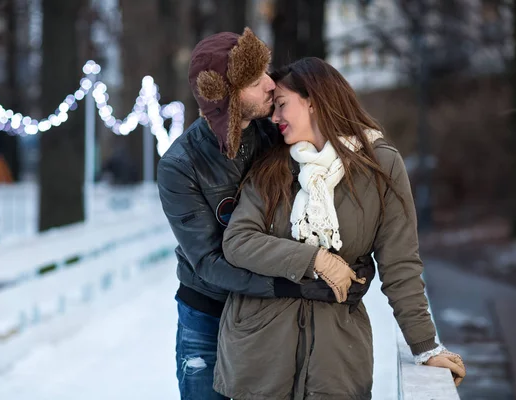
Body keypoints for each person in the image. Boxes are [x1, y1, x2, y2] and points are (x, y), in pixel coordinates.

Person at [214, 57, 466, 399]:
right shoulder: (271, 167)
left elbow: (400, 264)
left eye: (282, 105)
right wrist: (315, 260)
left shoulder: (380, 167)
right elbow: (239, 241)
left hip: (336, 357)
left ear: (314, 101)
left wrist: (425, 345)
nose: (274, 118)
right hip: (260, 352)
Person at [157, 30, 376, 400]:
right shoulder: (180, 166)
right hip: (208, 313)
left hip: (270, 320)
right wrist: (300, 282)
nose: (271, 85)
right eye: (255, 81)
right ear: (226, 96)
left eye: (267, 73)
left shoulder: (275, 132)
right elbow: (210, 262)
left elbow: (322, 190)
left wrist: (355, 260)